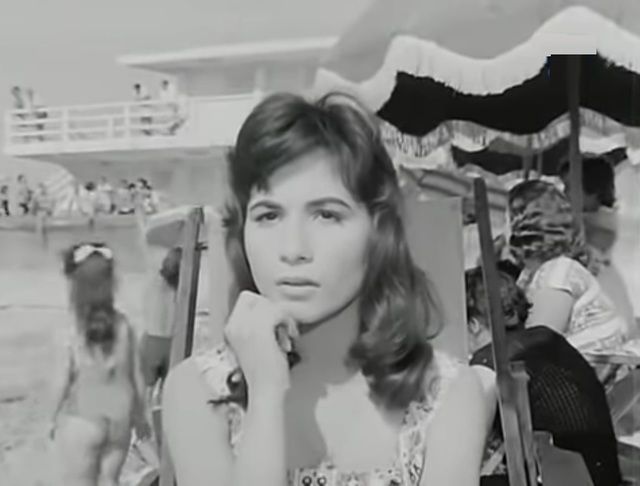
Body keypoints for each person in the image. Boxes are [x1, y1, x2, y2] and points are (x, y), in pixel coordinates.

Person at [161, 92, 494, 486]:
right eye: (268, 215)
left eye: (326, 215)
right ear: (242, 232)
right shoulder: (199, 390)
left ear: (378, 230)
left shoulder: (445, 394)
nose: (293, 249)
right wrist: (266, 396)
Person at [465, 264, 622, 486]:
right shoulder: (547, 340)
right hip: (599, 477)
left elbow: (467, 444)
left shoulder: (490, 362)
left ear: (473, 325)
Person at [49, 243, 151, 486]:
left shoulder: (71, 329)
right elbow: (137, 376)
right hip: (119, 421)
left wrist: (50, 418)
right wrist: (140, 417)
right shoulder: (123, 325)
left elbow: (62, 380)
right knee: (110, 480)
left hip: (84, 418)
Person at [506, 179, 628, 357]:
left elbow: (537, 345)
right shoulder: (531, 274)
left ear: (520, 225)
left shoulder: (558, 274)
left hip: (588, 369)